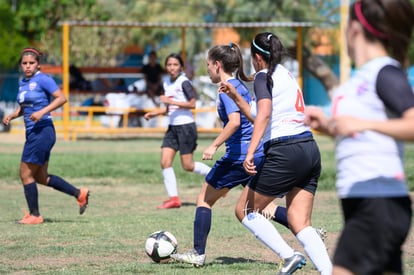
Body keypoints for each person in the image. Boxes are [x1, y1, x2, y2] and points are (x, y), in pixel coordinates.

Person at [304, 1, 414, 274]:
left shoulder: (385, 72)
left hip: (378, 204)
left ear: (353, 27)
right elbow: (358, 129)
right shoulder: (359, 78)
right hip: (363, 202)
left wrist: (362, 123)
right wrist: (330, 126)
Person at [170, 43, 293, 267]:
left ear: (217, 65)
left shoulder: (227, 87)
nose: (207, 70)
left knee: (204, 200)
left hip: (239, 156)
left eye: (208, 65)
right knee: (263, 207)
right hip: (256, 154)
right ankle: (308, 231)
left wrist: (213, 145)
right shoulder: (239, 85)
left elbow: (235, 122)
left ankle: (198, 253)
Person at [221, 33, 332, 275]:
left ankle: (289, 255)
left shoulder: (263, 76)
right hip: (309, 148)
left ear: (258, 57)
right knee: (299, 221)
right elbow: (260, 113)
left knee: (245, 210)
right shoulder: (285, 74)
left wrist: (250, 152)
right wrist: (237, 97)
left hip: (285, 150)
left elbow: (264, 114)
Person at [2, 47, 89, 225]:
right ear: (21, 65)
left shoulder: (43, 79)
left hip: (42, 131)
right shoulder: (23, 83)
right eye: (24, 63)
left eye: (31, 63)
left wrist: (42, 112)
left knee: (25, 174)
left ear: (38, 64)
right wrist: (12, 114)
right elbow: (25, 106)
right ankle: (79, 194)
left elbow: (61, 98)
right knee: (41, 177)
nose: (28, 66)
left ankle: (35, 215)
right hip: (34, 132)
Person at [144, 53, 211, 209]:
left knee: (187, 166)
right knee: (164, 162)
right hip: (172, 128)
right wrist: (156, 113)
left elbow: (192, 104)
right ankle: (174, 199)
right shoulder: (166, 82)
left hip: (186, 127)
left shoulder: (184, 82)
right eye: (169, 65)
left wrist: (171, 101)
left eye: (175, 64)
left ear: (181, 66)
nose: (172, 67)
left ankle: (215, 178)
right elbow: (170, 108)